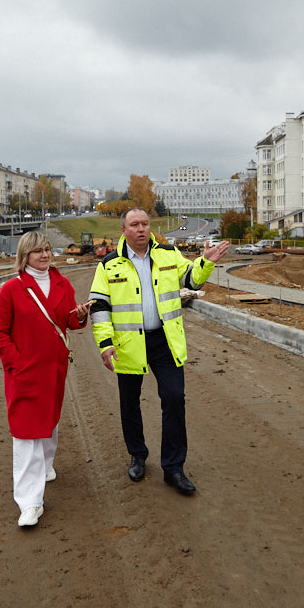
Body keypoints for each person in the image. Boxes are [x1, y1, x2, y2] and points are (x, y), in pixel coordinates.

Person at [88, 209, 229, 494]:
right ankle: (137, 455)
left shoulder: (168, 253)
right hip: (129, 344)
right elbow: (99, 307)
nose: (141, 229)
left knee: (175, 398)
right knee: (130, 403)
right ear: (124, 229)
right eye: (134, 224)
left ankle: (174, 467)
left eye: (145, 223)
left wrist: (206, 263)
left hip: (164, 341)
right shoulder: (109, 264)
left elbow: (192, 280)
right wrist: (105, 344)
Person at [0, 231, 90, 527]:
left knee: (49, 421)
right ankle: (30, 503)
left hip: (54, 369)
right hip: (24, 372)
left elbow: (68, 321)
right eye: (38, 251)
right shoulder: (12, 289)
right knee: (26, 435)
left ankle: (46, 465)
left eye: (47, 249)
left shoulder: (62, 283)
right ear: (25, 256)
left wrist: (81, 315)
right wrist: (16, 364)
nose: (45, 255)